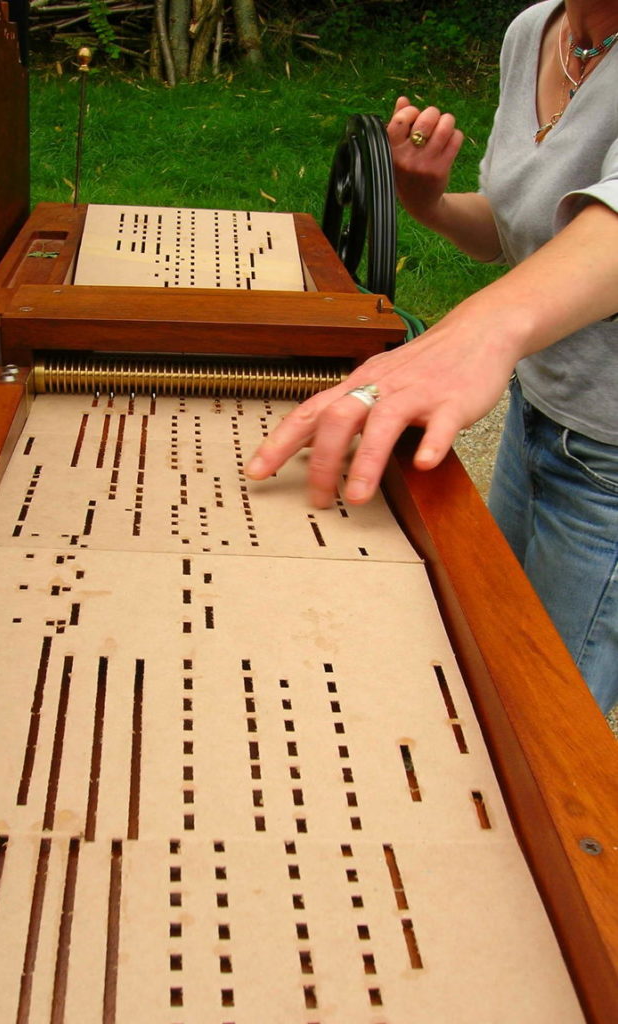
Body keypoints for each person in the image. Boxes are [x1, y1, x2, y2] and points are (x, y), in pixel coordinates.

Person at [245, 0, 618, 715]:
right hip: (538, 413)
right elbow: (521, 239)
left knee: (545, 719)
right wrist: (430, 202)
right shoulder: (535, 32)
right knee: (484, 649)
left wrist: (475, 334)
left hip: (609, 456)